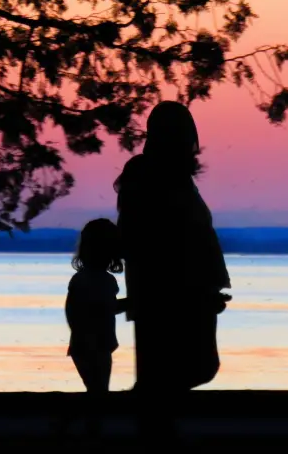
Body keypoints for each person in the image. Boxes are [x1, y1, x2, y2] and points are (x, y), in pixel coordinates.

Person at [114, 100, 232, 398]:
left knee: (184, 369)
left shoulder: (176, 180)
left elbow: (198, 236)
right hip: (167, 290)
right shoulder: (147, 175)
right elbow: (153, 235)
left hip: (179, 289)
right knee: (175, 370)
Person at [65, 218, 129, 393]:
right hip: (96, 346)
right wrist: (133, 302)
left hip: (81, 345)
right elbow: (109, 307)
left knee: (95, 390)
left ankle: (84, 420)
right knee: (99, 391)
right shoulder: (105, 280)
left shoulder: (79, 279)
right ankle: (75, 419)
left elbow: (71, 311)